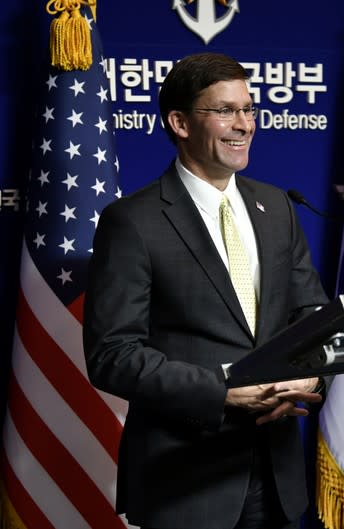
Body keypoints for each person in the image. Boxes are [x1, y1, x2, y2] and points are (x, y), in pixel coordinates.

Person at [83, 52, 329, 529]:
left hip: (276, 474)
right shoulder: (132, 222)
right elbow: (112, 354)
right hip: (186, 479)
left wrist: (310, 378)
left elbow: (310, 315)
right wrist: (223, 393)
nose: (244, 124)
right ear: (179, 122)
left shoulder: (277, 206)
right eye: (224, 111)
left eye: (249, 109)